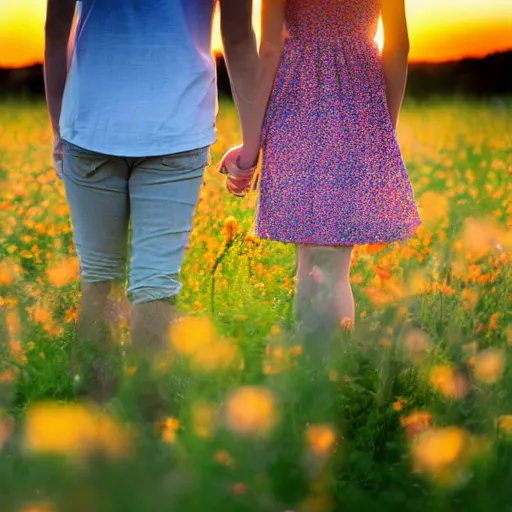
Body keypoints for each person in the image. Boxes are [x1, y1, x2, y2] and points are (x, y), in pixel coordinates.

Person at [44, 0, 259, 402]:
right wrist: (252, 142)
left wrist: (60, 127)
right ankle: (146, 429)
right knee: (156, 286)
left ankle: (89, 425)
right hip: (177, 127)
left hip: (90, 124)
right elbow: (239, 37)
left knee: (100, 281)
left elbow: (56, 30)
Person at [220, 0, 420, 349]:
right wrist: (382, 129)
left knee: (310, 262)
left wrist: (251, 146)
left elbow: (269, 50)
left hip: (296, 103)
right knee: (332, 266)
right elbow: (398, 46)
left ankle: (318, 376)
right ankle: (329, 376)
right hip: (359, 101)